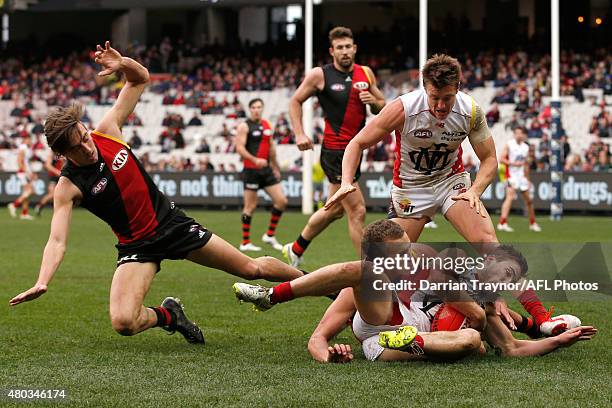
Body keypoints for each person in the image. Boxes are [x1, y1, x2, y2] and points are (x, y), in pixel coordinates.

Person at [9, 42, 304, 345]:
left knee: (252, 269)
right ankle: (170, 316)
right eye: (77, 147)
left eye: (85, 136)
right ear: (62, 153)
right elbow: (57, 241)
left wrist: (123, 62)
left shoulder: (107, 129)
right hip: (137, 247)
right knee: (123, 322)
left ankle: (320, 282)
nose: (87, 146)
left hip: (172, 225)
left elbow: (140, 79)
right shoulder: (68, 186)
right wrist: (42, 281)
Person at [324, 54, 556, 333]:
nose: (440, 105)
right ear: (424, 88)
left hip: (451, 183)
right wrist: (347, 180)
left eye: (447, 97)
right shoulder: (404, 108)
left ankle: (542, 319)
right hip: (411, 189)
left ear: (457, 87)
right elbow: (357, 142)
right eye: (434, 97)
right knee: (379, 261)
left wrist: (475, 190)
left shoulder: (470, 110)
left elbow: (490, 159)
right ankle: (342, 321)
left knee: (489, 243)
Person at [283, 26, 386, 266]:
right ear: (332, 51)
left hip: (356, 150)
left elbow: (381, 106)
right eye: (339, 47)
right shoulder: (320, 75)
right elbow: (295, 101)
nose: (345, 51)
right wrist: (299, 133)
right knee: (357, 210)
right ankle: (371, 269)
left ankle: (296, 249)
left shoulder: (366, 73)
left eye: (348, 46)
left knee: (335, 209)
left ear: (355, 48)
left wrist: (374, 102)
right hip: (335, 150)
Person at [307, 287, 596, 364]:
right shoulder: (357, 288)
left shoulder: (423, 280)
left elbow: (514, 349)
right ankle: (408, 341)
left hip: (427, 333)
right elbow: (317, 338)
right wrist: (327, 356)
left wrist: (560, 341)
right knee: (471, 340)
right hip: (377, 341)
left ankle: (414, 341)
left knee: (471, 339)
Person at [235, 98, 288, 252]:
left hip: (266, 170)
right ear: (250, 109)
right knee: (249, 207)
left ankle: (269, 235)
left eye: (259, 107)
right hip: (251, 170)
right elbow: (239, 148)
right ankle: (245, 242)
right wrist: (254, 159)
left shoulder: (266, 125)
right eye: (253, 107)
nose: (256, 110)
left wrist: (275, 166)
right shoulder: (244, 126)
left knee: (281, 201)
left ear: (263, 108)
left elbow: (271, 147)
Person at [497, 127, 541, 232]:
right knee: (510, 197)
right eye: (516, 133)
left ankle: (532, 223)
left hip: (521, 177)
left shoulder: (525, 147)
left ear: (524, 135)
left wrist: (528, 179)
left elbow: (525, 165)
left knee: (529, 201)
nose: (518, 135)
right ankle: (502, 222)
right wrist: (513, 163)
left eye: (520, 133)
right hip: (511, 175)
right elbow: (502, 159)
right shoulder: (509, 144)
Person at [7, 135, 36, 220]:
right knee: (31, 191)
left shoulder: (26, 149)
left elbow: (26, 162)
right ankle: (14, 205)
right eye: (29, 139)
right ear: (25, 140)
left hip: (25, 172)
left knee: (26, 193)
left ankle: (24, 213)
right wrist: (26, 172)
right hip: (23, 173)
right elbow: (19, 161)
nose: (30, 141)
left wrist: (31, 172)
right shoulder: (23, 148)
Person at [34, 150, 65, 216]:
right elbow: (47, 165)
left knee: (57, 194)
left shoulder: (62, 153)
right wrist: (57, 172)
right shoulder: (52, 154)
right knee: (52, 194)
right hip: (53, 176)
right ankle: (39, 206)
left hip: (61, 176)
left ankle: (41, 207)